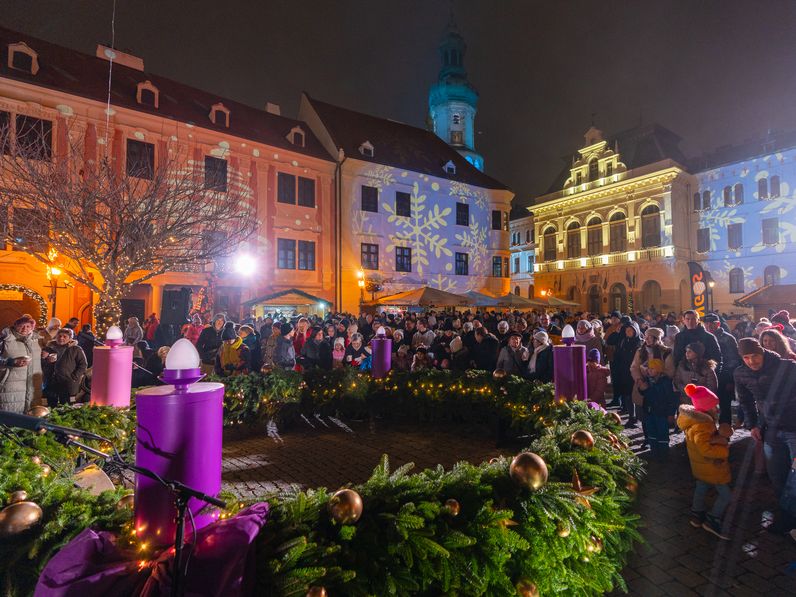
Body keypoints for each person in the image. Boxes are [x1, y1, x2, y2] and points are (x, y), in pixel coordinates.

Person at [734, 337, 796, 535]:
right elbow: (745, 401)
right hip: (771, 430)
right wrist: (752, 424)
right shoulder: (740, 373)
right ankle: (787, 518)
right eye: (746, 357)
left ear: (762, 352)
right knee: (777, 476)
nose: (752, 361)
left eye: (755, 356)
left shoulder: (786, 366)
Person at [677, 384, 733, 540]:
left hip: (700, 466)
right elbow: (705, 449)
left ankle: (697, 514)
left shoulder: (695, 421)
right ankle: (712, 519)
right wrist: (723, 448)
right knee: (726, 495)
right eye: (714, 406)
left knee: (701, 487)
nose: (717, 409)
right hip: (711, 465)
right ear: (706, 408)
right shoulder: (703, 425)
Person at [0, 314, 43, 413]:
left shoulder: (37, 341)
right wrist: (11, 361)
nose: (25, 329)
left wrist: (47, 357)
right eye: (21, 326)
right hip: (11, 383)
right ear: (15, 325)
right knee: (10, 415)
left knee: (30, 415)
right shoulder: (6, 340)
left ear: (32, 328)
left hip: (32, 384)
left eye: (28, 326)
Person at [703, 313, 740, 424]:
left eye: (712, 324)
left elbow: (733, 361)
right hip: (708, 378)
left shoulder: (728, 338)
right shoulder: (705, 337)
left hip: (723, 378)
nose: (709, 326)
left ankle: (725, 432)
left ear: (718, 324)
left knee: (725, 406)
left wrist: (730, 380)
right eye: (707, 324)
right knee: (707, 406)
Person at [639, 358, 679, 460]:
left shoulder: (666, 382)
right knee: (651, 432)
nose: (649, 371)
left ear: (659, 370)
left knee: (662, 434)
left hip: (661, 413)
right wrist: (641, 389)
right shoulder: (648, 379)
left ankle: (663, 453)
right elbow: (646, 394)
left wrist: (671, 414)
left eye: (652, 369)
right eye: (648, 369)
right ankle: (654, 451)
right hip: (649, 412)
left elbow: (670, 399)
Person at [42, 328, 88, 407]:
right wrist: (46, 360)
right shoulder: (49, 348)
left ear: (70, 338)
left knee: (67, 405)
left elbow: (83, 364)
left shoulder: (76, 349)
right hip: (52, 381)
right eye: (59, 336)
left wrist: (74, 377)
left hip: (68, 382)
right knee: (51, 403)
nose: (61, 338)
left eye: (64, 336)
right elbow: (41, 364)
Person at [612, 322, 642, 426]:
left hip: (635, 372)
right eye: (627, 330)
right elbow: (619, 355)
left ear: (635, 331)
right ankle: (631, 416)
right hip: (624, 371)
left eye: (630, 330)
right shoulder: (624, 341)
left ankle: (638, 418)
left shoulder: (639, 343)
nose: (628, 332)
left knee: (636, 395)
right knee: (627, 395)